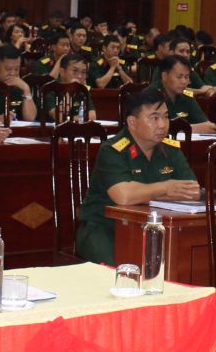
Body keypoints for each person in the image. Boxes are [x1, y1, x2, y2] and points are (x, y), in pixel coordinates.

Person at [75, 87, 199, 265]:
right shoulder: (113, 150)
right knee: (125, 270)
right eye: (154, 118)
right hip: (105, 228)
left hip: (156, 229)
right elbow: (124, 196)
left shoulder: (171, 150)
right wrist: (166, 188)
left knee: (187, 262)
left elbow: (193, 191)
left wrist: (143, 193)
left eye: (165, 117)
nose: (163, 125)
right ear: (132, 122)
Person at [154, 55, 215, 132]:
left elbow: (205, 123)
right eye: (179, 77)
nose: (184, 82)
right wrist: (191, 128)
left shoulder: (187, 96)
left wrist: (210, 127)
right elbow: (155, 129)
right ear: (164, 76)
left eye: (186, 77)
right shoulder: (151, 97)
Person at [0, 45, 39, 121]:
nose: (12, 73)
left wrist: (26, 90)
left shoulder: (21, 86)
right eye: (8, 69)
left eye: (16, 69)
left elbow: (30, 118)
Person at [41, 54, 97, 121]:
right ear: (62, 72)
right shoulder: (50, 88)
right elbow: (58, 117)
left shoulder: (82, 90)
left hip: (73, 126)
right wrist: (70, 91)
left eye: (83, 72)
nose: (79, 76)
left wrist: (69, 119)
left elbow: (92, 116)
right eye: (75, 71)